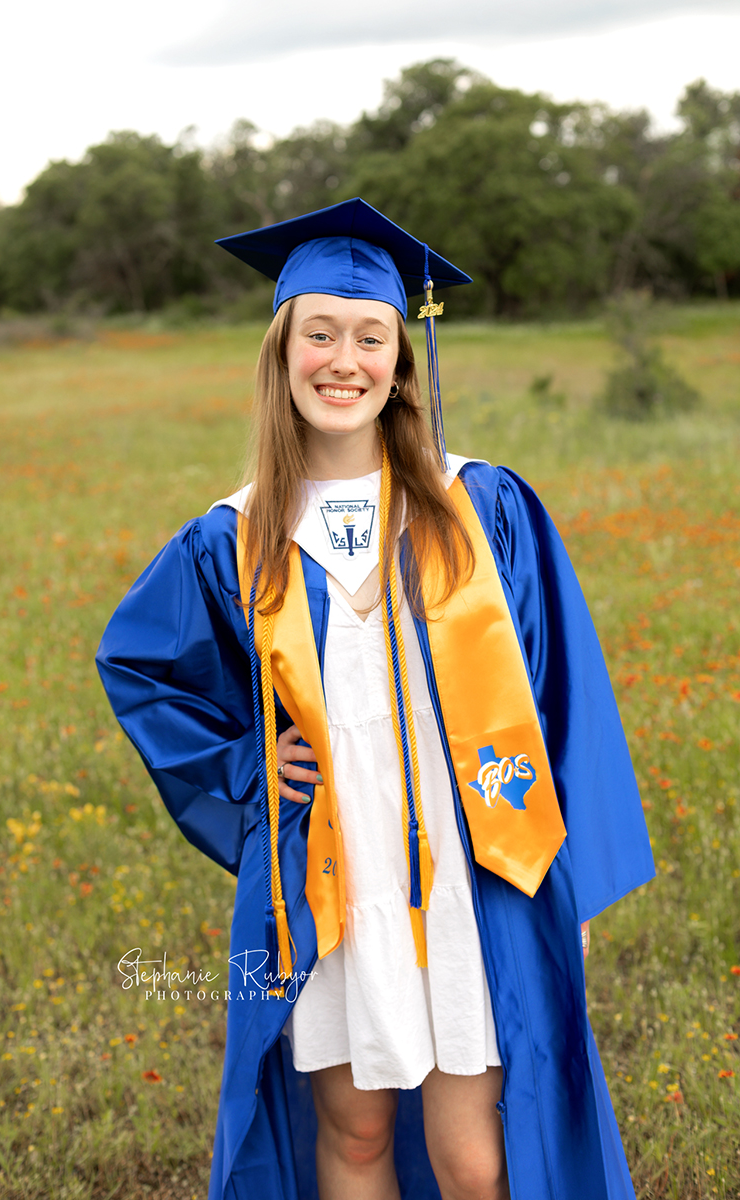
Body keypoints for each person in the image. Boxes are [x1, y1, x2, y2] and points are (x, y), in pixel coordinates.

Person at [96, 198, 655, 1200]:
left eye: (368, 336)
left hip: (474, 874)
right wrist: (241, 768)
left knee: (476, 1154)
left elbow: (565, 689)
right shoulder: (230, 537)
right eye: (318, 334)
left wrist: (571, 875)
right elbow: (140, 665)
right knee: (350, 1135)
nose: (342, 360)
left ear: (401, 361)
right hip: (331, 872)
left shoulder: (480, 507)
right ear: (281, 354)